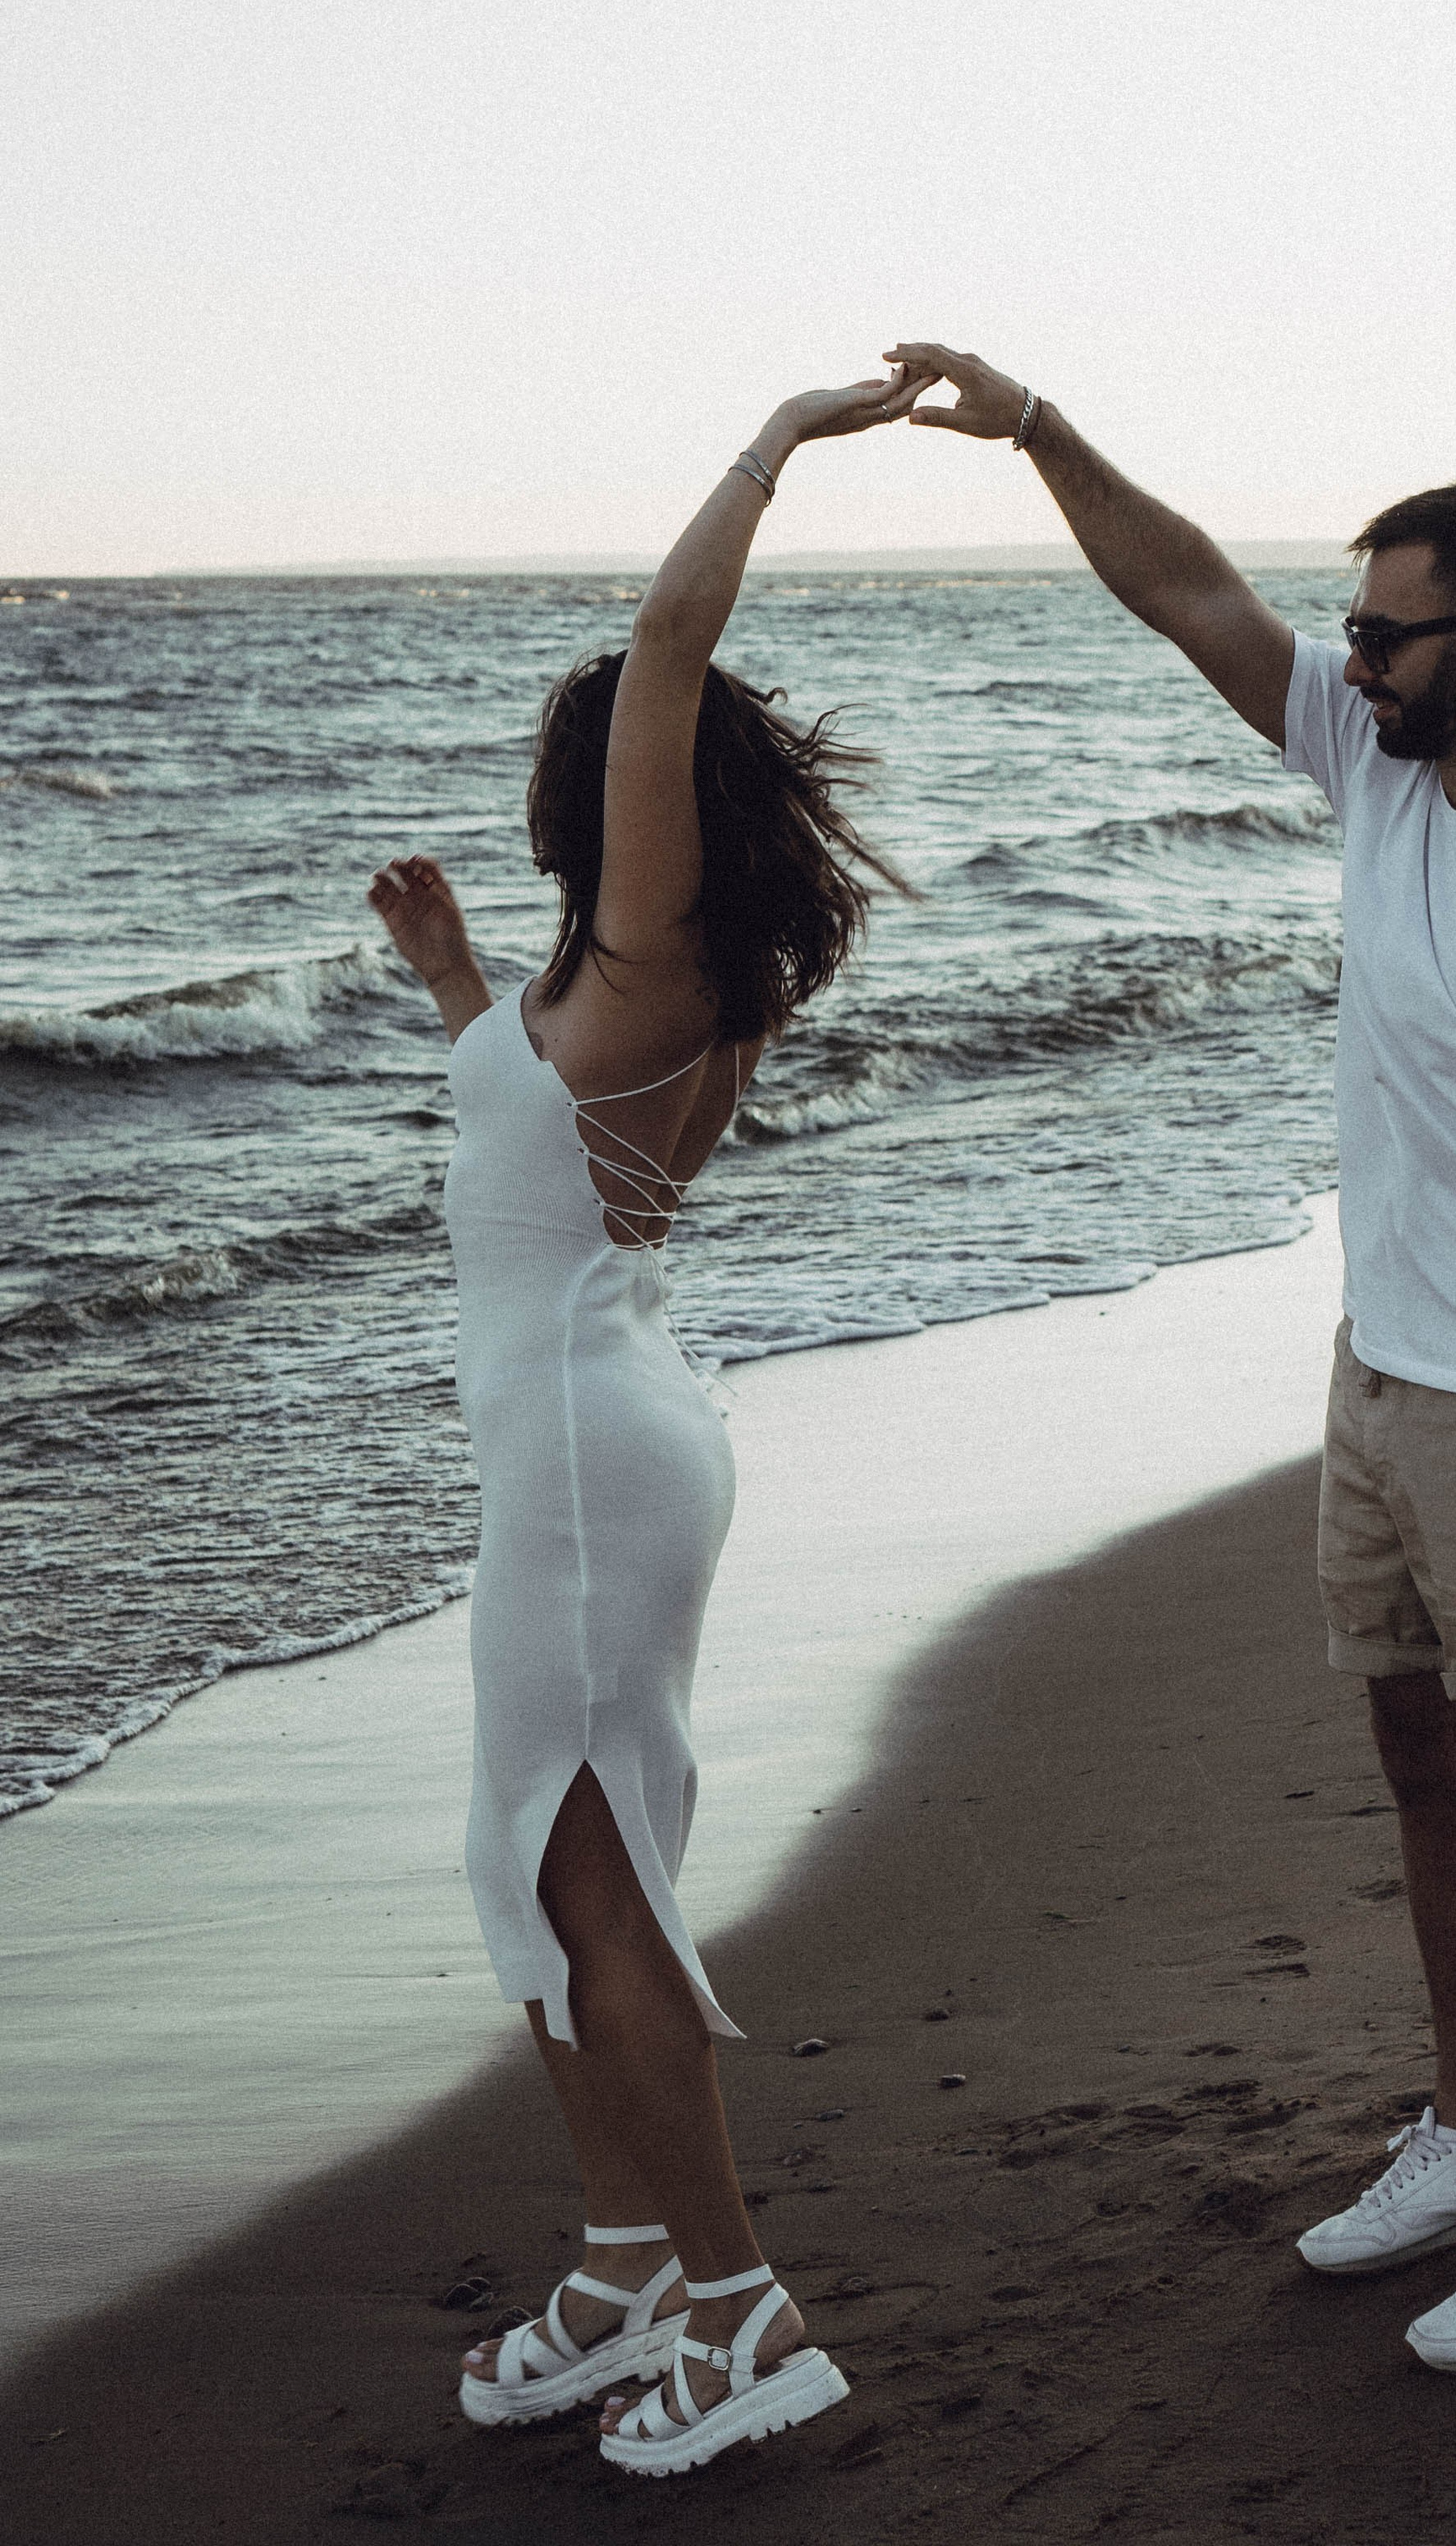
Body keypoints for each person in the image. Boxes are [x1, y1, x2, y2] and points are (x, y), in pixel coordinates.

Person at [891, 342, 1456, 2374]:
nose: (1347, 662)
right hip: (1378, 1376)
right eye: (1350, 630)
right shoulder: (1380, 769)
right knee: (1424, 1762)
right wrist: (1039, 433)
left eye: (1385, 631)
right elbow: (1184, 593)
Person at [366, 373, 917, 2478]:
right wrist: (451, 985)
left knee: (586, 1900)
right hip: (608, 1435)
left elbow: (669, 647)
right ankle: (622, 2273)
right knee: (555, 1880)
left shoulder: (658, 954)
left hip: (597, 1461)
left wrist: (776, 438)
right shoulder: (620, 998)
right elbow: (587, 1187)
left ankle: (744, 2307)